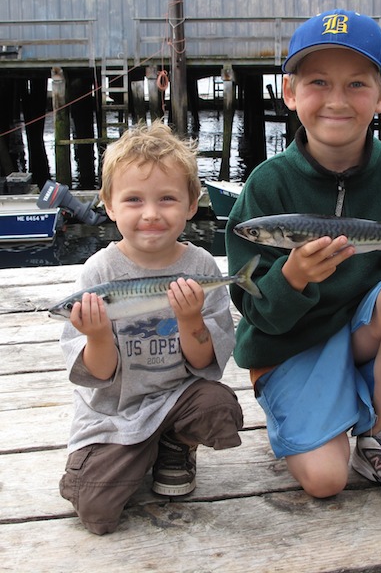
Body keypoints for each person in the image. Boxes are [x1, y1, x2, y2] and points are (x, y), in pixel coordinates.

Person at [226, 9, 381, 510]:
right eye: (318, 82)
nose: (336, 99)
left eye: (357, 84)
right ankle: (304, 405)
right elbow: (254, 311)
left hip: (361, 333)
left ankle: (377, 434)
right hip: (289, 347)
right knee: (325, 481)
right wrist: (290, 279)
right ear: (290, 93)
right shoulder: (266, 186)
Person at [59, 120, 243, 534]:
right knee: (96, 511)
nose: (151, 214)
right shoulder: (98, 272)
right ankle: (141, 449)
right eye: (134, 199)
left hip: (178, 395)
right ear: (108, 204)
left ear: (192, 204)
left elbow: (204, 363)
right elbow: (99, 375)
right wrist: (98, 334)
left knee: (219, 406)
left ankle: (176, 443)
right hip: (115, 410)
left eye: (167, 199)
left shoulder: (200, 267)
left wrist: (191, 318)